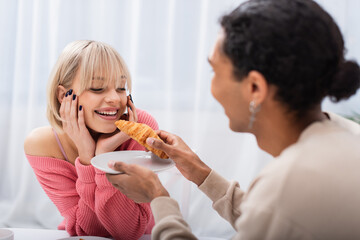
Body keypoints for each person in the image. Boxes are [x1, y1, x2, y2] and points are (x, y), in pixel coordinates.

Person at [106, 0, 360, 239]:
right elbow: (270, 219)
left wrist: (158, 197)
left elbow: (272, 211)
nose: (212, 87)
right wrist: (199, 172)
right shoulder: (344, 133)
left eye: (214, 71)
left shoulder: (287, 184)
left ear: (254, 88)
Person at [24, 40, 155, 239]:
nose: (115, 99)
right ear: (63, 95)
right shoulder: (42, 146)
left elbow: (128, 231)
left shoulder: (141, 128)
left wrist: (103, 157)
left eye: (121, 87)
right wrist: (87, 158)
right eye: (97, 88)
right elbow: (88, 231)